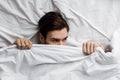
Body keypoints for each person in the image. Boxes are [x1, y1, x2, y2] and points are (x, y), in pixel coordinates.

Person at [13, 11, 104, 55]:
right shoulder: (30, 51)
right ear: (41, 38)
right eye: (55, 40)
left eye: (64, 39)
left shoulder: (74, 50)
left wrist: (97, 46)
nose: (61, 45)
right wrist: (15, 47)